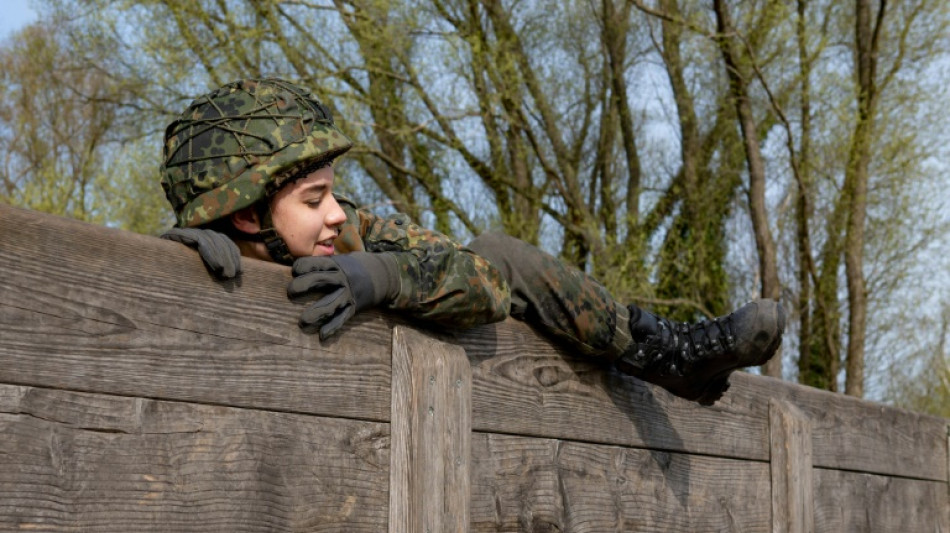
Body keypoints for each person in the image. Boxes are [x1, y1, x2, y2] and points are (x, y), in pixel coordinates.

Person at [160, 78, 785, 406]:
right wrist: (171, 267)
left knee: (499, 249)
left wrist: (378, 277)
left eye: (331, 194)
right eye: (313, 199)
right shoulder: (207, 249)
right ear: (245, 219)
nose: (333, 216)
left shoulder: (352, 232)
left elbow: (482, 280)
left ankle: (664, 352)